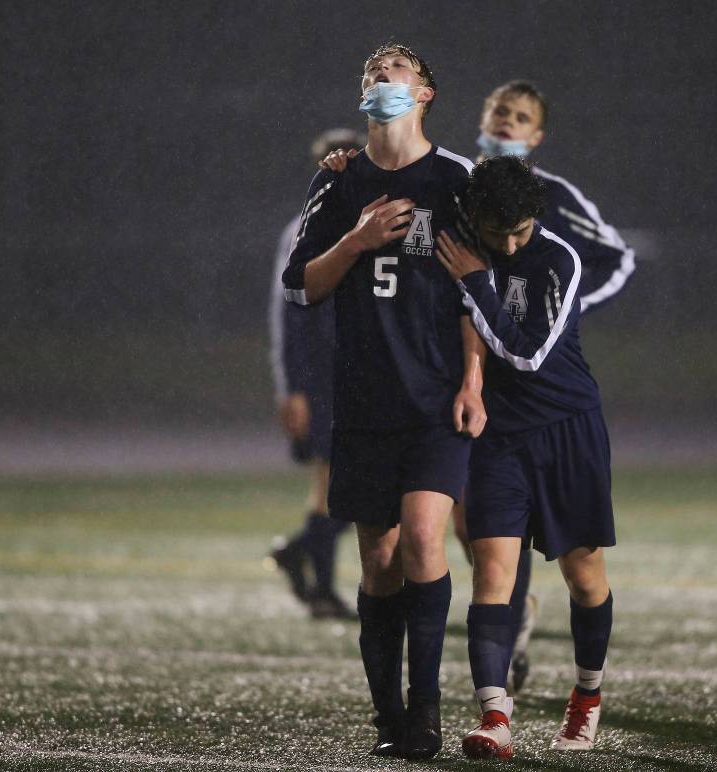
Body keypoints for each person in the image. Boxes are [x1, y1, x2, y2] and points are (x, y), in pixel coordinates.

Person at [281, 43, 486, 761]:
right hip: (362, 402)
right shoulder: (337, 182)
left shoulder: (455, 180)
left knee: (426, 537)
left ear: (424, 91)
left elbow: (474, 291)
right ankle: (388, 715)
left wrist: (473, 381)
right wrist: (357, 240)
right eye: (372, 68)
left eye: (395, 67)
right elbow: (300, 284)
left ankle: (426, 711)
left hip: (433, 402)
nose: (380, 73)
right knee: (379, 562)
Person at [435, 156, 616, 758]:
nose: (511, 244)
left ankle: (587, 698)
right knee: (493, 576)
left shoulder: (559, 259)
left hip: (568, 429)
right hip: (499, 437)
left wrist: (477, 281)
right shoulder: (458, 238)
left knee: (583, 577)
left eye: (520, 230)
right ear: (475, 217)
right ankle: (494, 715)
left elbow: (528, 354)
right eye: (498, 233)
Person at [469, 80, 635, 695]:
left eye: (521, 117)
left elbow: (616, 258)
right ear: (481, 118)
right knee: (485, 549)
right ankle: (496, 688)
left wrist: (556, 307)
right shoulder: (456, 187)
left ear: (537, 135)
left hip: (547, 399)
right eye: (499, 113)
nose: (507, 124)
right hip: (476, 403)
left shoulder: (554, 202)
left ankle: (557, 673)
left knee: (578, 566)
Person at [267, 128, 365, 620]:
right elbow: (287, 317)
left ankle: (301, 553)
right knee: (333, 487)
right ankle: (322, 588)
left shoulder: (375, 223)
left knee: (357, 489)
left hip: (363, 377)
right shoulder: (303, 230)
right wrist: (293, 389)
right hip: (324, 378)